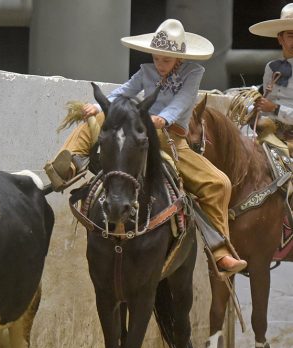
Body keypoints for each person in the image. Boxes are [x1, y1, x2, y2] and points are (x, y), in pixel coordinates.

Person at [44, 18, 247, 274]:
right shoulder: (146, 71)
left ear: (179, 59)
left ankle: (220, 252)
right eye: (157, 58)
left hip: (173, 140)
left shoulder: (193, 74)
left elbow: (183, 101)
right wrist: (96, 106)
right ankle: (69, 163)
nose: (160, 65)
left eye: (166, 59)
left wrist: (164, 119)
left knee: (219, 184)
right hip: (140, 132)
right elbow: (125, 91)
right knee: (100, 116)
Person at [251, 3, 293, 155]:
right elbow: (266, 100)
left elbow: (271, 106)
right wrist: (256, 108)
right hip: (269, 129)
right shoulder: (271, 67)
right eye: (291, 36)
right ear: (280, 39)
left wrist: (275, 108)